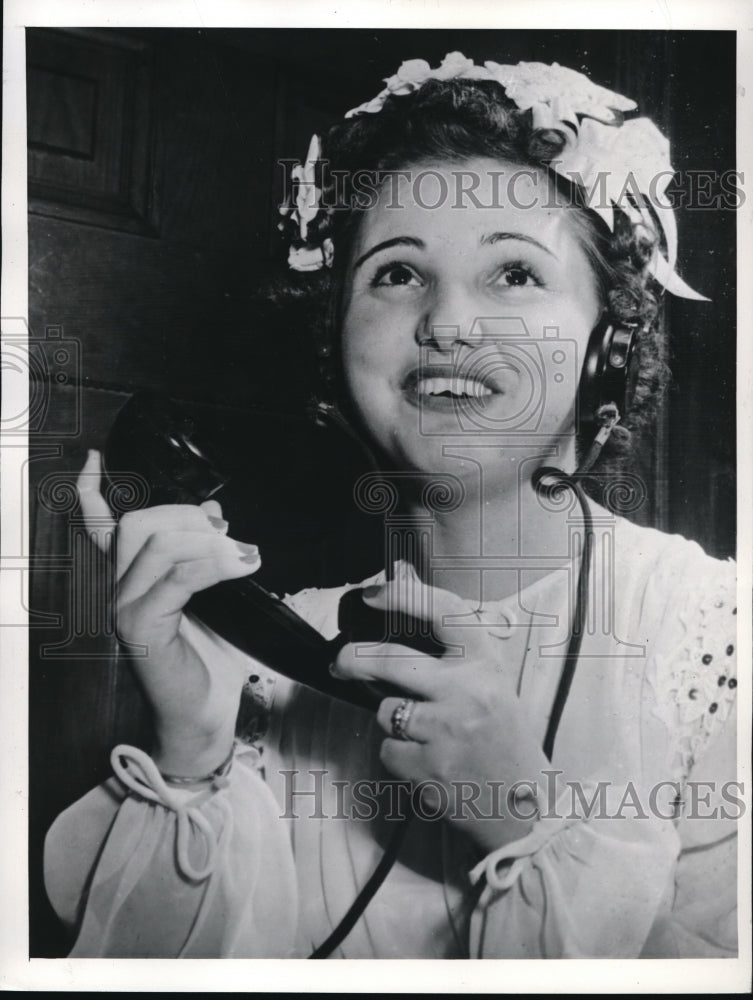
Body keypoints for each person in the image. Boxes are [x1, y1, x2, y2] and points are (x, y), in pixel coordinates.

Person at [43, 52, 738, 959]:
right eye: (397, 273)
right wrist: (193, 746)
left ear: (610, 341)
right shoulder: (274, 662)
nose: (447, 323)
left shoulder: (716, 640)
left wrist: (526, 817)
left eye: (514, 275)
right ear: (335, 337)